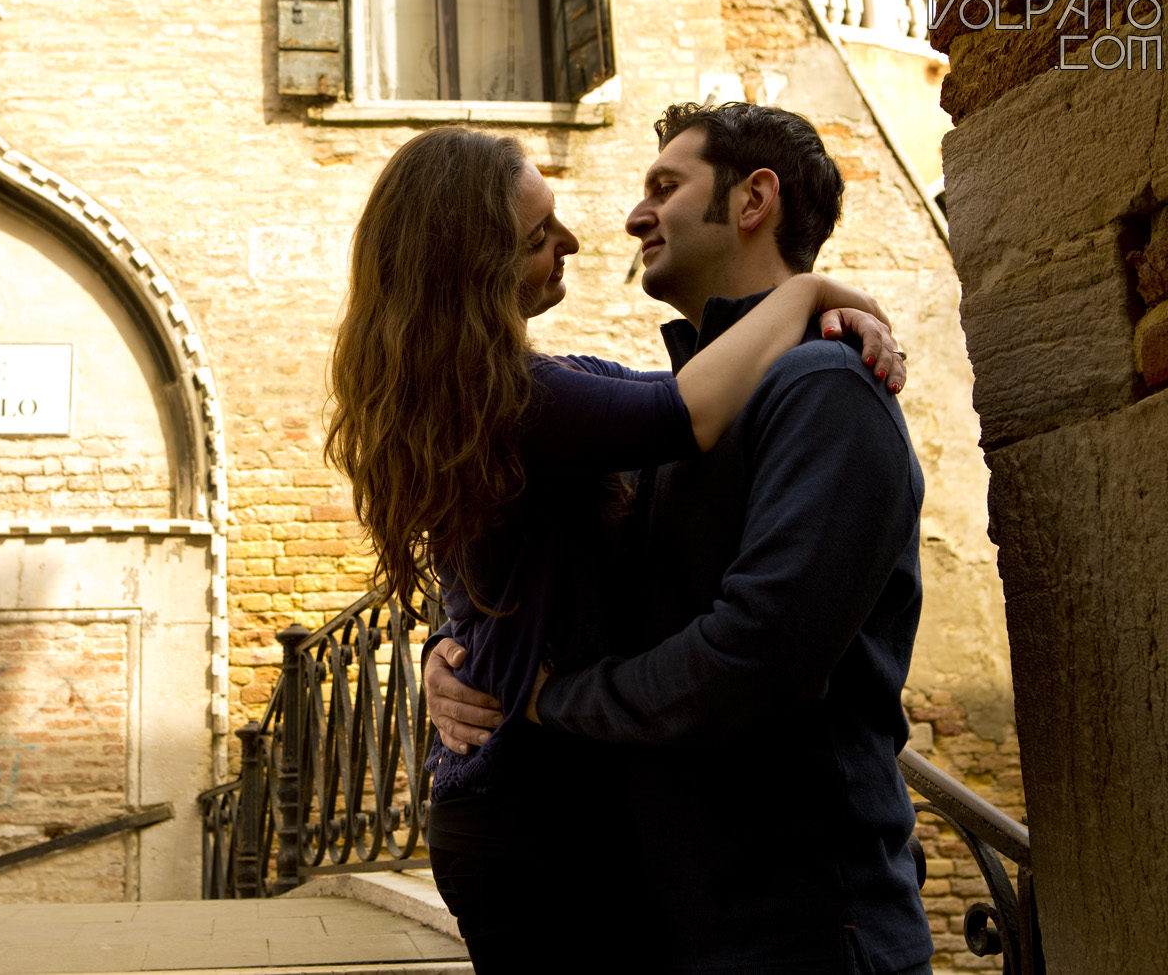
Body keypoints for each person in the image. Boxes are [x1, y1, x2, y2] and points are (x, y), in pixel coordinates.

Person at [324, 123, 906, 971]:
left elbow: (673, 398)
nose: (581, 239)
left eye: (663, 186)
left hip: (586, 814)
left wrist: (460, 657)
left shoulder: (541, 386)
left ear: (755, 200)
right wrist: (809, 288)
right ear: (474, 267)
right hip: (532, 815)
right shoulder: (520, 398)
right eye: (536, 237)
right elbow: (679, 415)